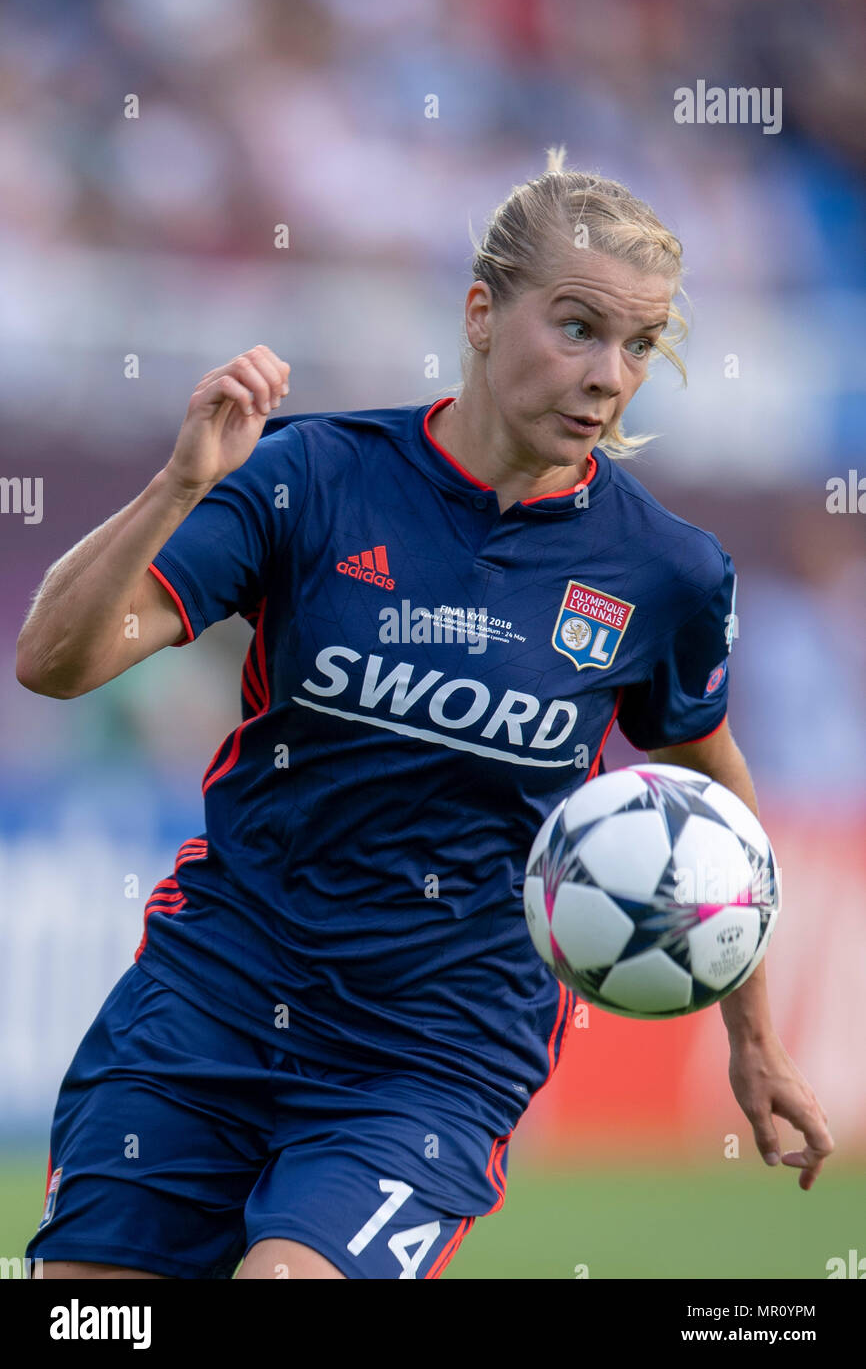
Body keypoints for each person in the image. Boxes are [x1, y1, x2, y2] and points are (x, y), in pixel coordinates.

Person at [17, 147, 833, 1281]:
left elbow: (712, 793)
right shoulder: (312, 477)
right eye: (577, 327)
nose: (608, 374)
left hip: (432, 1048)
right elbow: (54, 664)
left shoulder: (665, 572)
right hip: (211, 995)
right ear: (481, 313)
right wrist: (179, 485)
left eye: (638, 346)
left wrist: (751, 1035)